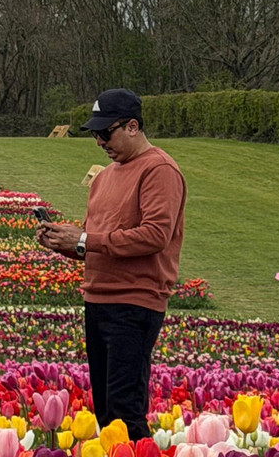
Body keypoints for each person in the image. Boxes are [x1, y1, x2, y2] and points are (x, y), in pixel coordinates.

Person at [37, 88, 186, 442]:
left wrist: (85, 240)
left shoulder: (159, 169)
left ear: (132, 126)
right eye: (95, 134)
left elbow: (154, 235)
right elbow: (96, 242)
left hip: (135, 302)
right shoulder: (104, 177)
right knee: (105, 409)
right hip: (98, 300)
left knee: (124, 409)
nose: (100, 141)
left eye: (107, 132)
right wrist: (64, 242)